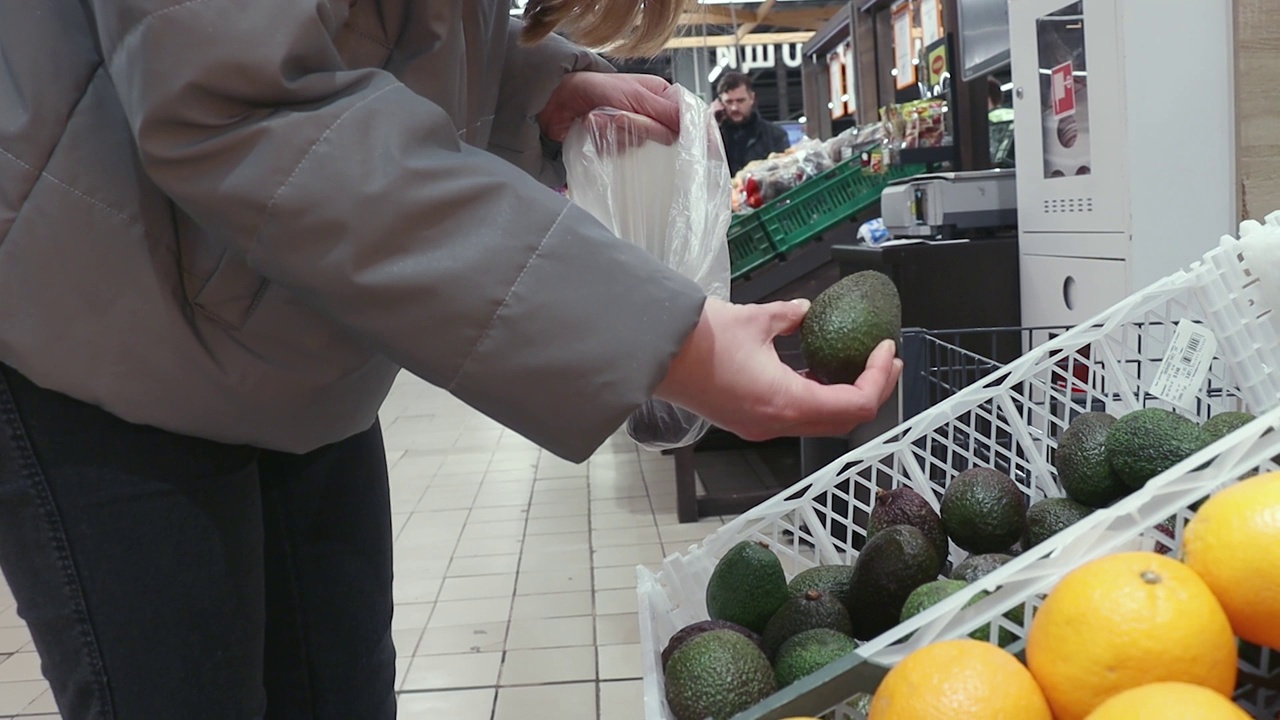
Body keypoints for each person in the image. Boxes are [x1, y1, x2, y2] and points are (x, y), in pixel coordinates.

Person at [0, 1, 902, 718]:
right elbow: (241, 97)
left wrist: (527, 88)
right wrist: (660, 339)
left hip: (294, 349)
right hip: (97, 332)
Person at [712, 71, 794, 176]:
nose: (734, 108)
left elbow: (785, 176)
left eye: (740, 101)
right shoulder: (714, 137)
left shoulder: (775, 136)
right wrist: (710, 122)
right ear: (720, 103)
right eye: (729, 102)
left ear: (752, 98)